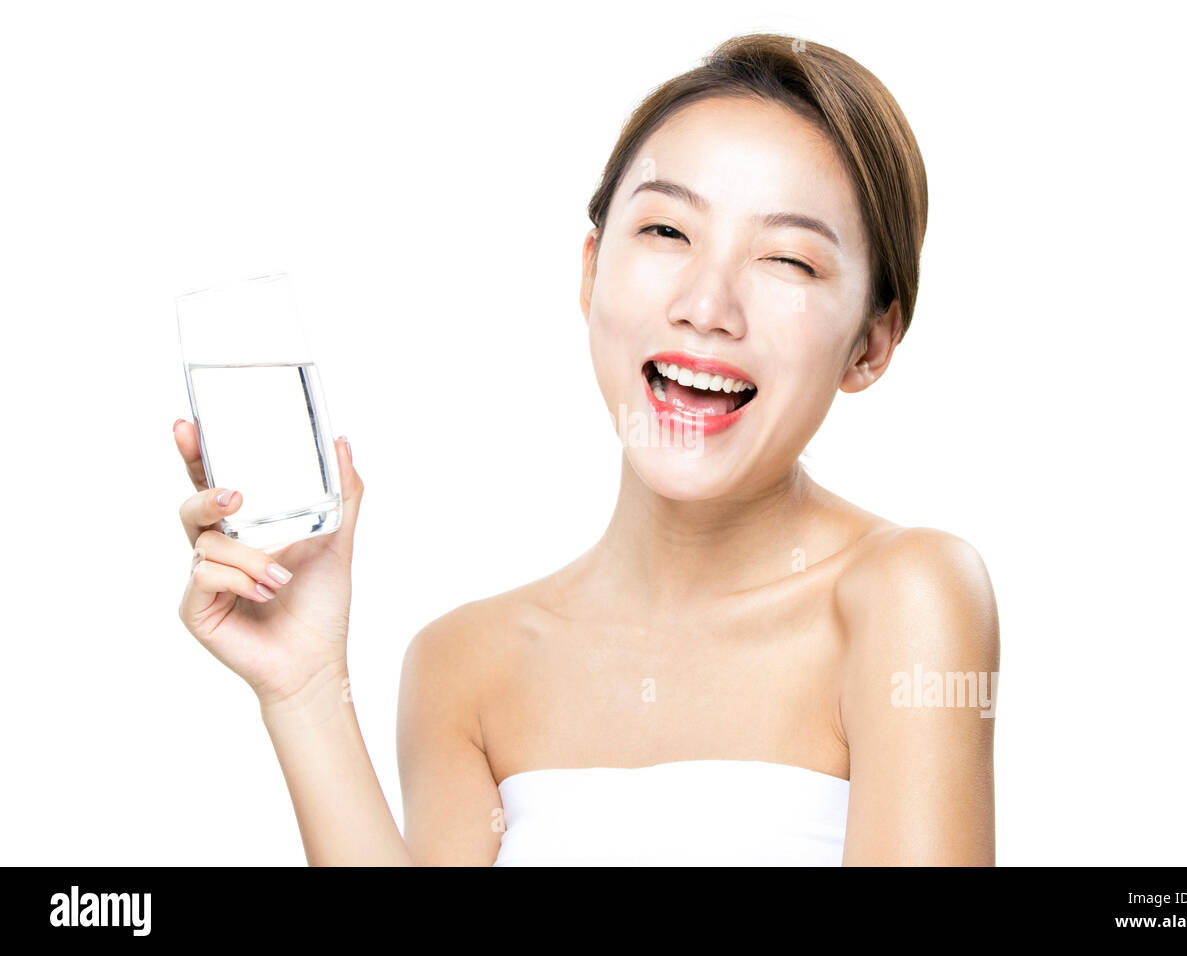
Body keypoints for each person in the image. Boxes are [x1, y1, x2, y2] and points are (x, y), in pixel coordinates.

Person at [173, 32, 999, 866]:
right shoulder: (464, 666)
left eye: (787, 258)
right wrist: (306, 686)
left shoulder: (907, 598)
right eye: (669, 231)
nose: (707, 304)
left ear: (872, 342)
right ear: (591, 271)